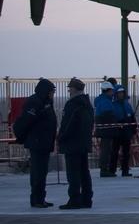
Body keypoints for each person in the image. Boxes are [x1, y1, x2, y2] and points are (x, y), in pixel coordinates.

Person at [14, 78, 57, 208]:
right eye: (51, 91)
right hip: (37, 142)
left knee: (42, 172)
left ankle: (40, 198)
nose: (53, 94)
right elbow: (26, 121)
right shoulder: (34, 102)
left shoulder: (46, 101)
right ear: (46, 91)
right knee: (38, 172)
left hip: (44, 142)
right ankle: (37, 199)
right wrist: (22, 136)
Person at [57, 78, 95, 209]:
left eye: (70, 88)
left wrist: (61, 137)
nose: (69, 91)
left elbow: (67, 124)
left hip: (72, 143)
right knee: (84, 172)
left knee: (73, 173)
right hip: (84, 142)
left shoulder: (72, 104)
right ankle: (87, 199)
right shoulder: (87, 104)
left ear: (74, 89)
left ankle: (74, 200)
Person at [94, 80, 119, 177]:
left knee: (105, 148)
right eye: (112, 91)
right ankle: (104, 170)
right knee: (106, 149)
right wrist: (115, 124)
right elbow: (109, 116)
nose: (113, 93)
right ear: (108, 91)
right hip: (107, 130)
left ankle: (104, 168)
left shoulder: (101, 100)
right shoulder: (106, 102)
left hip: (104, 129)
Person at [112, 85, 138, 176]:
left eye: (122, 93)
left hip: (127, 131)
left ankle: (125, 170)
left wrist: (134, 128)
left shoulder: (127, 104)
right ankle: (112, 170)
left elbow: (132, 116)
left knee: (126, 152)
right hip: (117, 131)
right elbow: (112, 118)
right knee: (114, 151)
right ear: (116, 94)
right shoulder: (113, 105)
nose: (121, 94)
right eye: (119, 93)